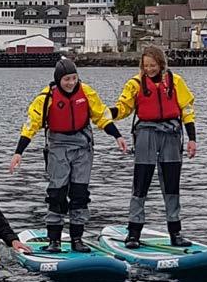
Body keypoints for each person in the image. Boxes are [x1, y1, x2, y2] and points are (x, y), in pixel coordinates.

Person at [9, 58, 128, 253]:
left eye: (74, 78)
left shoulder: (87, 92)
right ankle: (54, 240)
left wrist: (117, 136)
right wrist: (18, 152)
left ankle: (77, 239)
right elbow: (31, 125)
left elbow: (102, 116)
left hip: (82, 147)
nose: (71, 83)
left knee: (80, 194)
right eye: (66, 79)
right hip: (58, 147)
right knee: (57, 193)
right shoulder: (46, 98)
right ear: (58, 80)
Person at [110, 45, 197, 248]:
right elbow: (123, 108)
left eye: (153, 65)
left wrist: (192, 138)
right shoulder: (135, 84)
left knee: (171, 185)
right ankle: (133, 233)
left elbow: (187, 110)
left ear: (161, 64)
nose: (149, 69)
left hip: (171, 135)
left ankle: (175, 233)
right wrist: (104, 114)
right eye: (145, 65)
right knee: (141, 184)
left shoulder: (175, 82)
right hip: (146, 134)